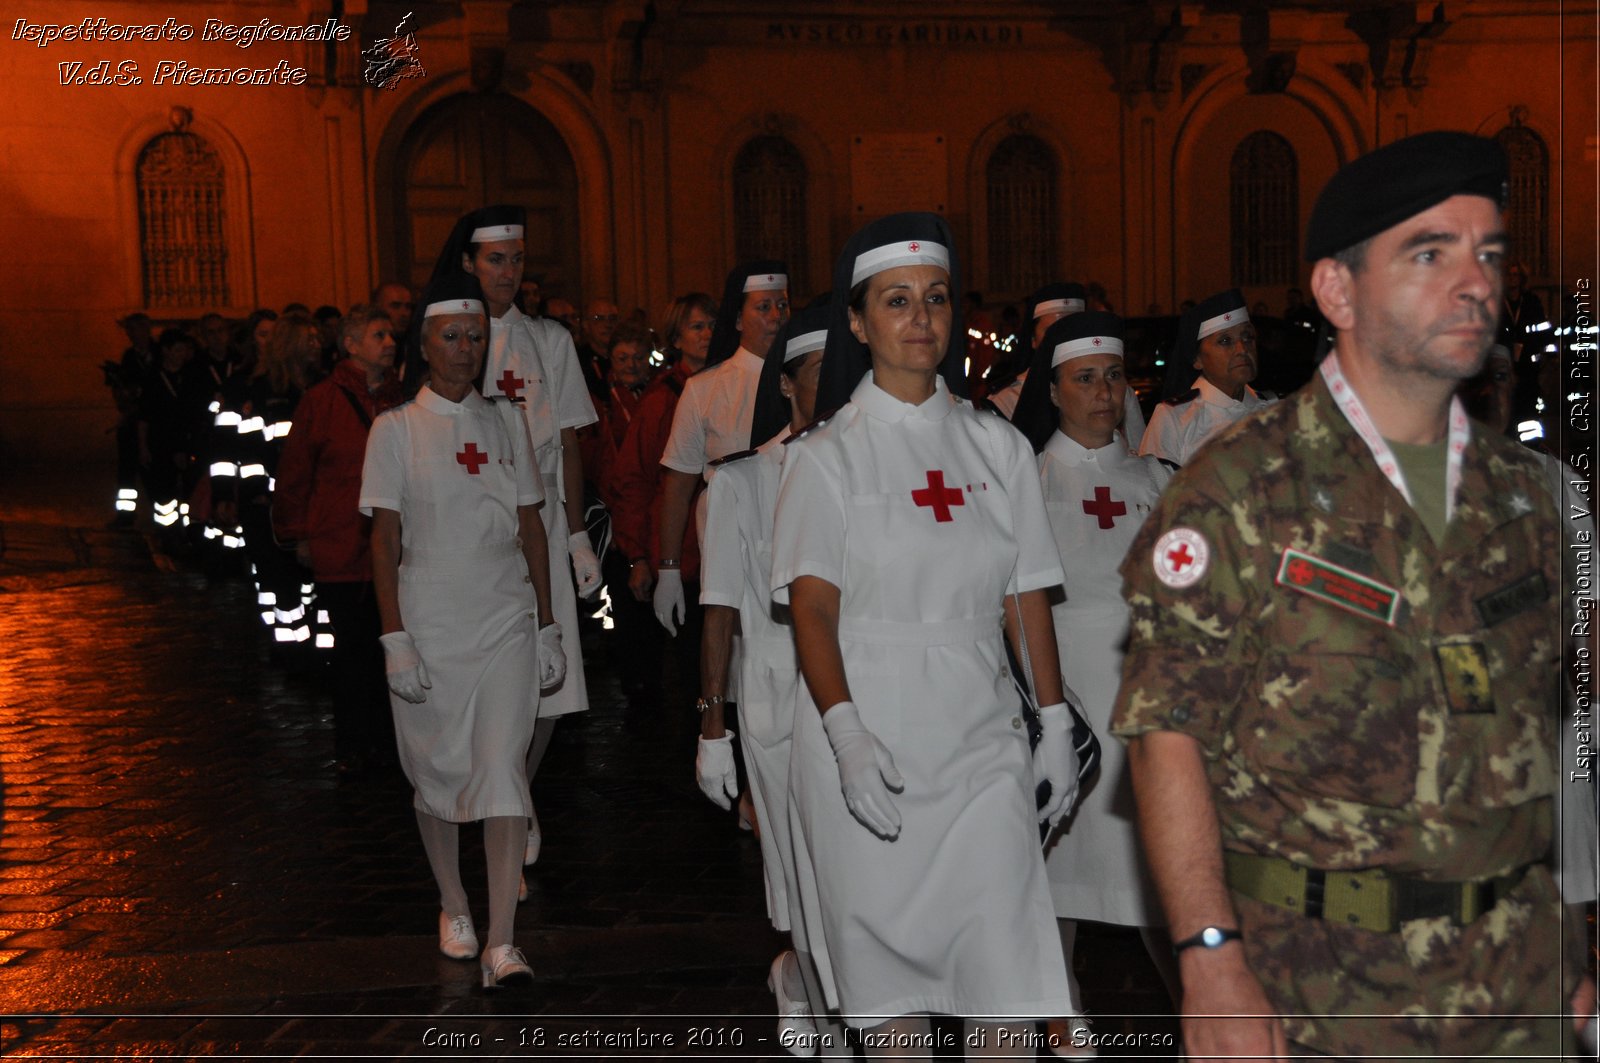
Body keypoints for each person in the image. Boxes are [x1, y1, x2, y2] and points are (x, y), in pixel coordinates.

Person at [1110, 130, 1595, 1059]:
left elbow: (1522, 745)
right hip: (1321, 992)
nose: (1474, 283)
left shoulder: (1520, 493)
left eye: (1486, 253)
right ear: (1337, 291)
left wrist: (1559, 949)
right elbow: (1166, 735)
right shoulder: (1239, 489)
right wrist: (1210, 959)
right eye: (1429, 253)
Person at [770, 212, 1077, 1053]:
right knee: (895, 1016)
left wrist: (1051, 724)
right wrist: (844, 731)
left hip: (980, 741)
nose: (921, 318)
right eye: (896, 301)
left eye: (936, 298)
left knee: (1005, 997)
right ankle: (806, 975)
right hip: (868, 732)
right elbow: (813, 611)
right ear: (859, 323)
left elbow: (1024, 597)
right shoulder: (826, 456)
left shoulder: (997, 445)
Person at [361, 269, 564, 989]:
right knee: (439, 770)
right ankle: (453, 902)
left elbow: (531, 526)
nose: (465, 348)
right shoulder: (394, 430)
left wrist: (545, 623)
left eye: (476, 336)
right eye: (451, 335)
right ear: (424, 342)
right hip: (431, 613)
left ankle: (501, 942)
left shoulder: (506, 419)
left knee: (503, 766)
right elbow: (384, 541)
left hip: (502, 611)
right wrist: (394, 636)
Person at [1009, 310, 1180, 1056]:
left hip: (1143, 705)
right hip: (1065, 704)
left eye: (1114, 376)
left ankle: (1202, 1019)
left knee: (1164, 877)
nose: (1104, 392)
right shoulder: (1024, 481)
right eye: (1086, 378)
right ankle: (1064, 1018)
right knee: (1056, 878)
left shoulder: (1158, 478)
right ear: (1054, 387)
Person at [437, 205, 599, 868]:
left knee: (554, 690)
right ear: (471, 263)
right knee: (494, 675)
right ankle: (506, 803)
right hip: (485, 529)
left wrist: (579, 533)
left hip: (546, 520)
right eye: (496, 259)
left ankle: (516, 792)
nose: (508, 272)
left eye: (517, 259)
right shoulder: (455, 339)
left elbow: (568, 440)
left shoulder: (550, 341)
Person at [698, 299, 837, 1053]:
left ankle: (827, 993)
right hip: (779, 702)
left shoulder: (868, 468)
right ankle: (806, 985)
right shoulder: (743, 482)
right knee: (803, 874)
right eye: (822, 373)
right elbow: (718, 608)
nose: (840, 386)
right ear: (786, 385)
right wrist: (711, 726)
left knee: (853, 876)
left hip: (865, 698)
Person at [272, 304, 405, 774]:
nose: (390, 342)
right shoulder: (321, 402)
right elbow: (296, 473)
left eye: (391, 334)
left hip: (392, 553)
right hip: (341, 548)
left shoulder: (401, 401)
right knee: (351, 654)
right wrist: (297, 534)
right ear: (350, 345)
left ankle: (393, 745)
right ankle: (354, 744)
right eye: (378, 333)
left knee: (393, 648)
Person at [653, 262, 789, 636]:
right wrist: (668, 569)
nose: (776, 316)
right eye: (764, 307)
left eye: (782, 305)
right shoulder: (705, 390)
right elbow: (678, 486)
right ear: (739, 319)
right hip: (730, 549)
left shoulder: (807, 381)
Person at [612, 292, 717, 699]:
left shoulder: (733, 385)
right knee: (693, 667)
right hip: (685, 555)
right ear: (677, 337)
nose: (707, 333)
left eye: (711, 324)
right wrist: (638, 555)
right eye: (696, 326)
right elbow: (633, 480)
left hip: (722, 549)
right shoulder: (662, 400)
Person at [1138, 288, 1275, 465]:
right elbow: (1154, 490)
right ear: (1197, 359)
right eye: (1225, 341)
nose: (1242, 349)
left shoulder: (1276, 409)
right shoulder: (1175, 419)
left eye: (1247, 336)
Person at [577, 296, 620, 401]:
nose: (607, 324)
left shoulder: (626, 357)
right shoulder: (577, 361)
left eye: (612, 318)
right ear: (586, 325)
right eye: (599, 319)